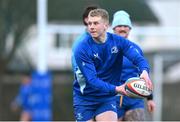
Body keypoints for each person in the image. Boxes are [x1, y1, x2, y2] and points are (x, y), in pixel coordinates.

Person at [72, 8, 153, 121]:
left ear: (106, 25)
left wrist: (144, 71)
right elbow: (92, 80)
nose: (91, 26)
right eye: (90, 23)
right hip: (85, 99)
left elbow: (139, 59)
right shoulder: (81, 48)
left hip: (107, 98)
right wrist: (117, 89)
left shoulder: (119, 42)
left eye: (95, 23)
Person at [111, 10, 156, 121]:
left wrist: (150, 98)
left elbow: (144, 73)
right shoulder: (107, 48)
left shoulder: (136, 49)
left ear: (130, 28)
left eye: (126, 26)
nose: (122, 28)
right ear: (113, 28)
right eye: (119, 25)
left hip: (135, 99)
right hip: (113, 100)